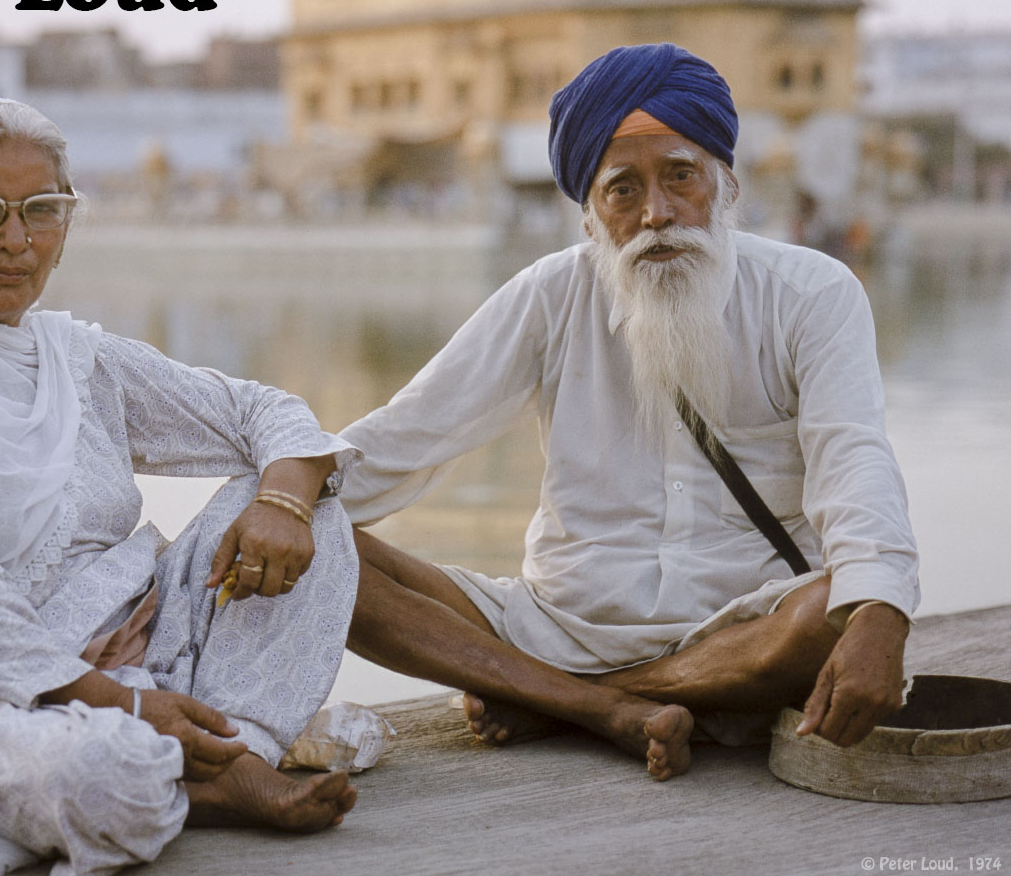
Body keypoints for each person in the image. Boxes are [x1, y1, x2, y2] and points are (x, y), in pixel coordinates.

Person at [0, 99, 360, 876]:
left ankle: (227, 751)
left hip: (139, 660)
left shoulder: (71, 357)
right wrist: (115, 703)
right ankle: (202, 767)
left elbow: (262, 412)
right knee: (104, 778)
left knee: (316, 504)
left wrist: (285, 502)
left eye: (44, 210)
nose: (17, 240)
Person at [338, 43, 919, 781]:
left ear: (726, 184)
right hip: (551, 627)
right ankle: (590, 697)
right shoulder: (549, 295)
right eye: (622, 189)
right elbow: (403, 437)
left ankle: (574, 704)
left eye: (680, 176)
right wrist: (281, 497)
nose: (657, 213)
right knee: (322, 547)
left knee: (833, 606)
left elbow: (855, 461)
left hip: (742, 631)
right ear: (589, 217)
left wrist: (882, 610)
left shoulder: (813, 293)